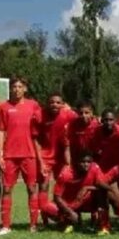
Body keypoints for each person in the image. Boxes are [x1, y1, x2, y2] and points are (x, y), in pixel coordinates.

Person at [0, 77, 43, 236]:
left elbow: (42, 122)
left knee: (31, 188)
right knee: (7, 189)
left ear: (25, 89)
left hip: (29, 154)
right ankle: (6, 226)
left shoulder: (33, 105)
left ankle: (33, 225)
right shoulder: (4, 107)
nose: (16, 89)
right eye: (13, 86)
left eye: (19, 86)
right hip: (9, 155)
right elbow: (1, 131)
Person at [35, 92, 77, 231]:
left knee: (65, 186)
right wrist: (40, 161)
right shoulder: (40, 115)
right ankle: (45, 219)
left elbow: (82, 118)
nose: (55, 105)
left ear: (63, 104)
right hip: (45, 156)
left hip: (61, 157)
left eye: (58, 102)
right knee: (43, 186)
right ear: (47, 103)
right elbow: (35, 138)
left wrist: (68, 164)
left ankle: (67, 214)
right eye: (52, 102)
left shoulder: (68, 114)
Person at [51, 151, 110, 235]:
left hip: (86, 201)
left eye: (88, 162)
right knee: (47, 209)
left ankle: (104, 227)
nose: (86, 164)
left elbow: (104, 186)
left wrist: (87, 187)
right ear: (77, 163)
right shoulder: (66, 174)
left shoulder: (95, 168)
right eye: (83, 162)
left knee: (102, 193)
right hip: (69, 204)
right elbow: (56, 197)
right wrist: (70, 212)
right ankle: (67, 222)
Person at [65, 100, 99, 166]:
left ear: (92, 113)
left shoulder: (98, 126)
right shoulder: (72, 126)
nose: (83, 115)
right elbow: (67, 146)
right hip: (76, 160)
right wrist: (68, 164)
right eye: (81, 113)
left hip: (93, 160)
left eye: (87, 113)